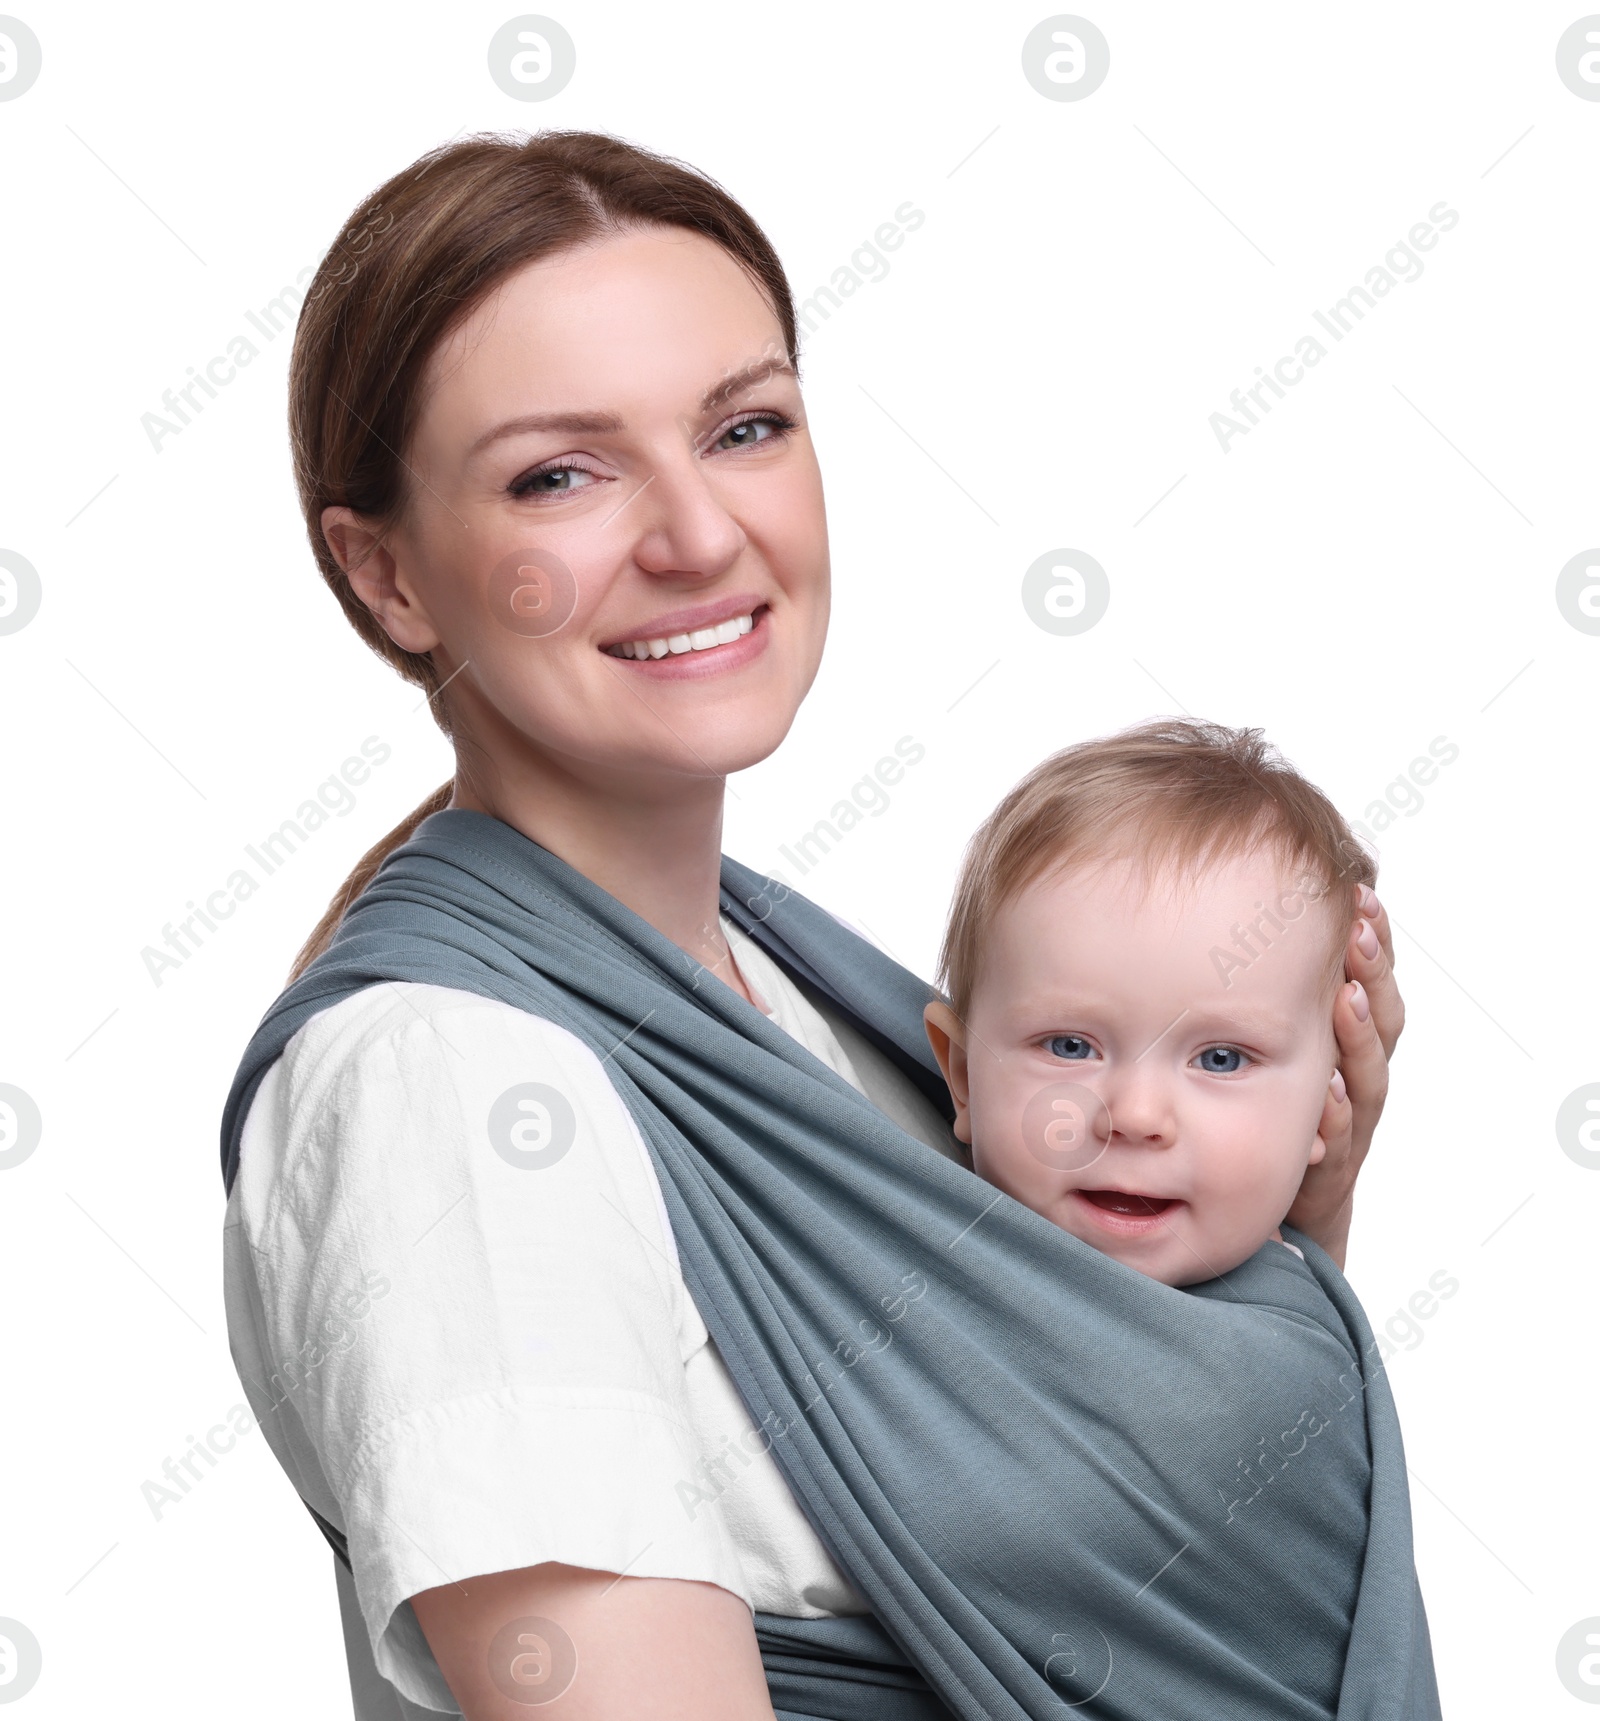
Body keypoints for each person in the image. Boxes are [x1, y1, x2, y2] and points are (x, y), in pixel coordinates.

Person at [219, 131, 1406, 1721]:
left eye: (746, 426)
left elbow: (1072, 1550)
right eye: (560, 472)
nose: (699, 535)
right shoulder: (459, 1095)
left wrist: (1276, 1243)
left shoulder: (805, 992)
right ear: (388, 577)